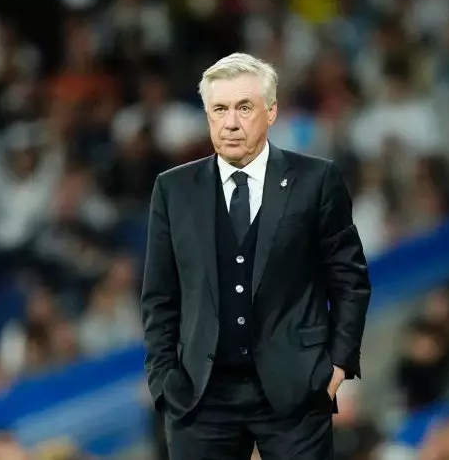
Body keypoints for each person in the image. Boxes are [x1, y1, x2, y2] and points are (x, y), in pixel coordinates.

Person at [141, 53, 371, 460]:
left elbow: (349, 281)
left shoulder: (316, 181)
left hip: (297, 391)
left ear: (271, 111)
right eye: (220, 109)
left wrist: (338, 366)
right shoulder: (173, 189)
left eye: (244, 108)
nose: (231, 122)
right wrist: (163, 379)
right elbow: (159, 295)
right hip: (201, 398)